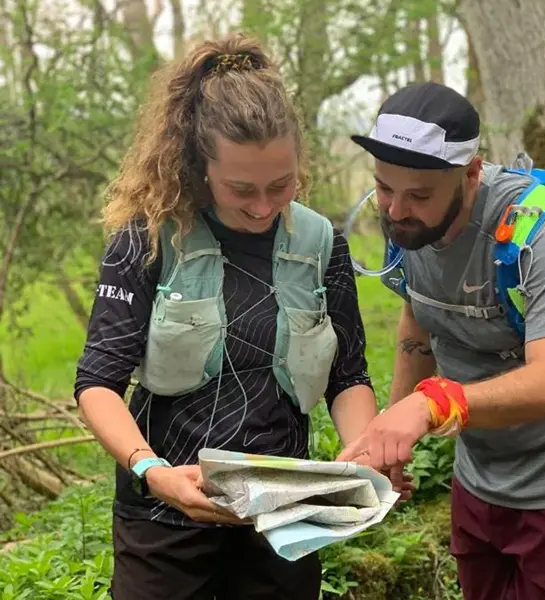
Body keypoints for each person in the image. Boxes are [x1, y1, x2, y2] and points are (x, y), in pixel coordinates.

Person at [73, 34, 410, 600]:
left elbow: (347, 376)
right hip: (163, 521)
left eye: (281, 185)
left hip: (282, 520)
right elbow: (97, 383)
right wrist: (151, 472)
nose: (262, 206)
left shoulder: (322, 244)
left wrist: (361, 457)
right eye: (240, 189)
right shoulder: (147, 239)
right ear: (198, 166)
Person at [336, 81, 545, 600]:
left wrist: (428, 405)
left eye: (418, 195)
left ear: (471, 173)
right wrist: (390, 439)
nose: (395, 212)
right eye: (384, 189)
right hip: (483, 478)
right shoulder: (410, 227)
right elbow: (419, 319)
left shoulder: (540, 230)